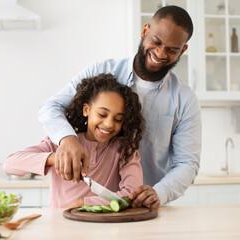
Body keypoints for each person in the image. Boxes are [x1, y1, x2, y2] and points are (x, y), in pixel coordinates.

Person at [38, 5, 201, 210]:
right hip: (93, 206)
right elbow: (50, 107)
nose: (160, 54)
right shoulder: (102, 71)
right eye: (156, 42)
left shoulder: (185, 99)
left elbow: (187, 163)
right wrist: (68, 139)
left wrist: (160, 192)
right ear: (145, 31)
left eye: (172, 50)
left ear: (183, 50)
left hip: (145, 209)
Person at [4, 74, 144, 208]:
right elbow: (10, 164)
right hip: (60, 225)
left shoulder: (125, 150)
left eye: (118, 119)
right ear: (86, 110)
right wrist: (56, 158)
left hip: (104, 226)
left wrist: (85, 203)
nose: (109, 124)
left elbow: (132, 195)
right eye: (102, 114)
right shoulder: (61, 143)